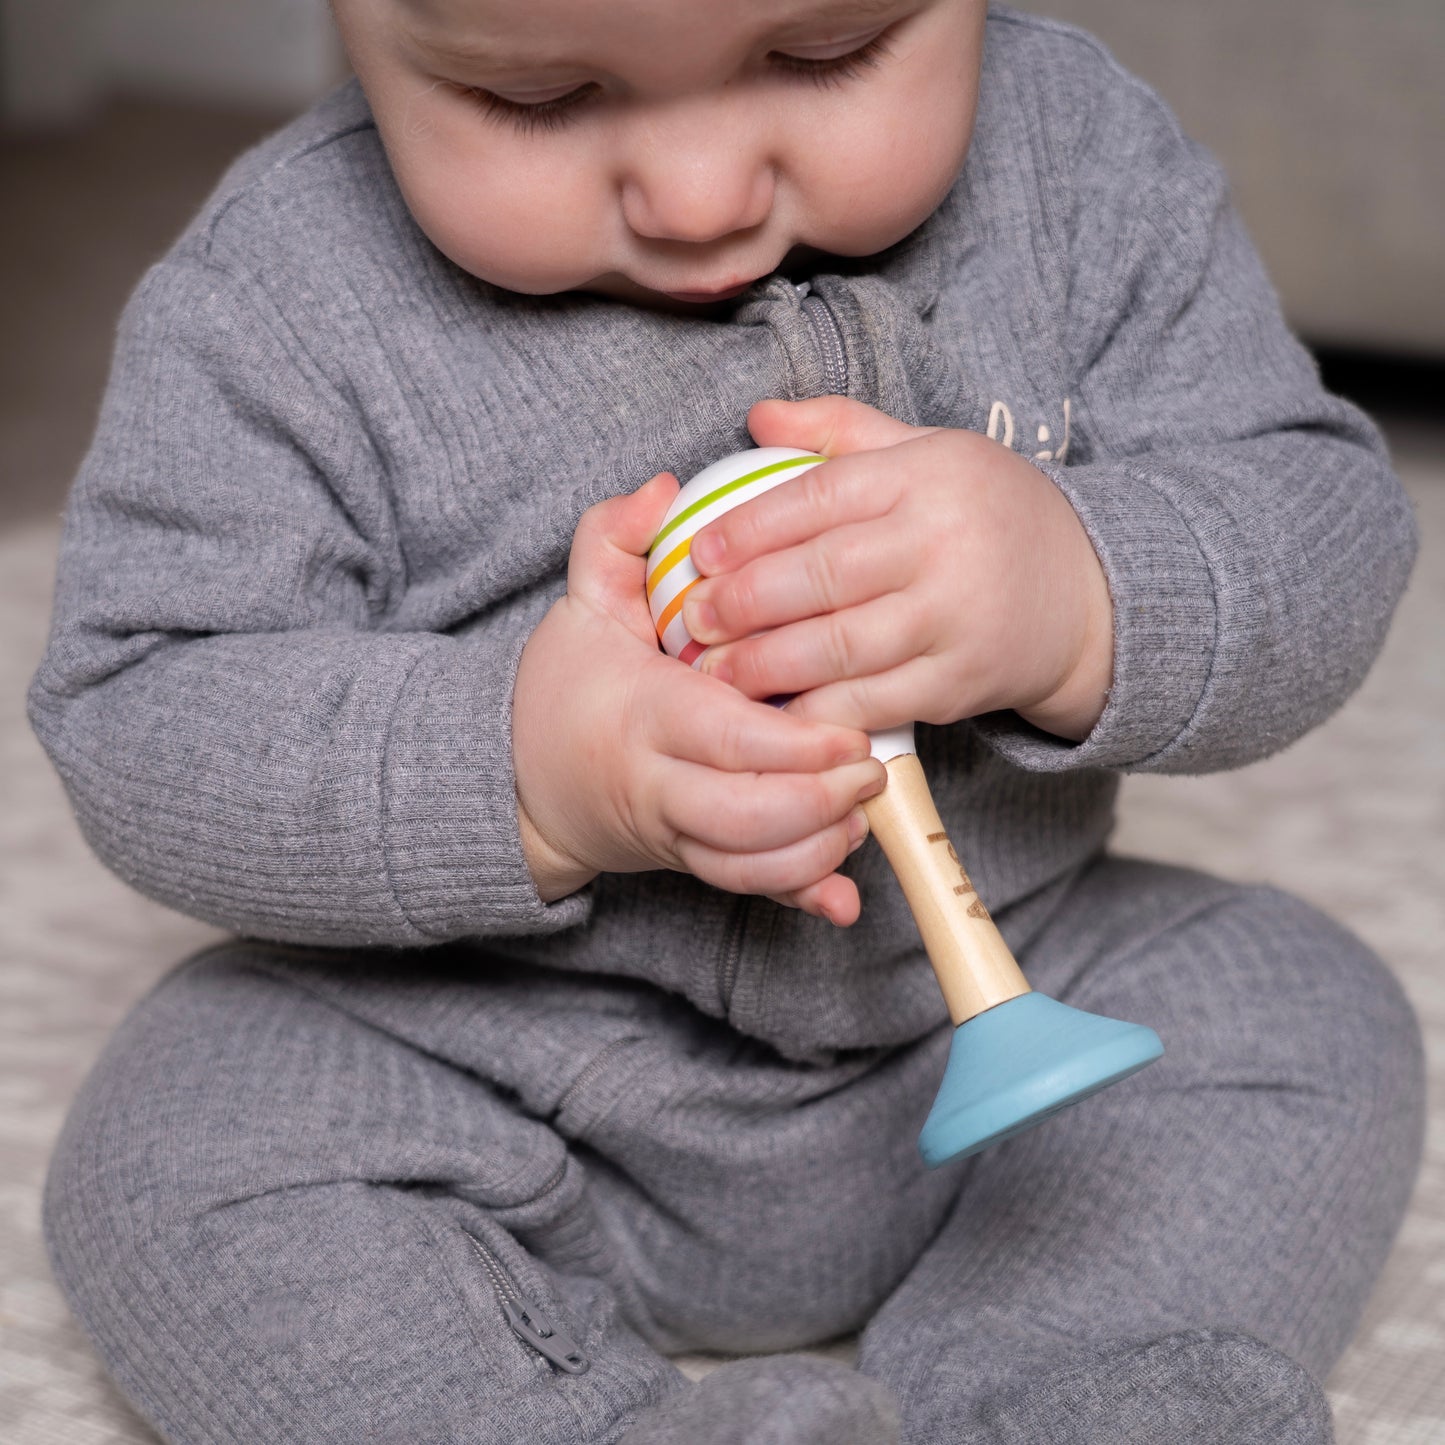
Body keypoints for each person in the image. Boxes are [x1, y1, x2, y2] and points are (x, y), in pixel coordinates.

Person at [29, 0, 1424, 1440]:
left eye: (821, 56)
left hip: (1002, 1019)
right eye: (544, 96)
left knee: (1298, 1008)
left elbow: (1314, 518)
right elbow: (140, 703)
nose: (699, 200)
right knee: (174, 1150)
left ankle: (1074, 1386)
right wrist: (520, 767)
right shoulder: (281, 289)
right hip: (492, 1057)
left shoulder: (1078, 162)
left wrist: (1074, 585)